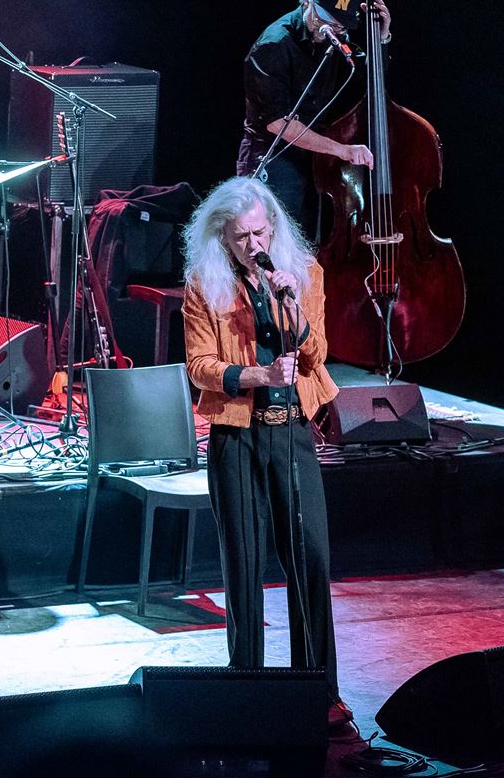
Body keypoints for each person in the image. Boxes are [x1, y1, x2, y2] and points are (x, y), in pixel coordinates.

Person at [180, 176, 350, 731]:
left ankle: (320, 694)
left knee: (311, 560)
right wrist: (256, 375)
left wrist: (292, 305)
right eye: (241, 237)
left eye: (260, 233)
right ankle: (246, 692)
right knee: (244, 565)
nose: (254, 245)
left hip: (293, 432)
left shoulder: (305, 275)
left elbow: (316, 354)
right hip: (237, 435)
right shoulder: (204, 284)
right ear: (223, 238)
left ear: (273, 227)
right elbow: (200, 366)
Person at [236, 0, 390, 239]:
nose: (328, 30)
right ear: (307, 0)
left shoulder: (334, 39)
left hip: (314, 153)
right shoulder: (274, 45)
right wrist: (342, 150)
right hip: (274, 156)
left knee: (308, 242)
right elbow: (278, 123)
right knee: (277, 241)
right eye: (322, 19)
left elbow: (368, 76)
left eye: (338, 26)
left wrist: (381, 37)